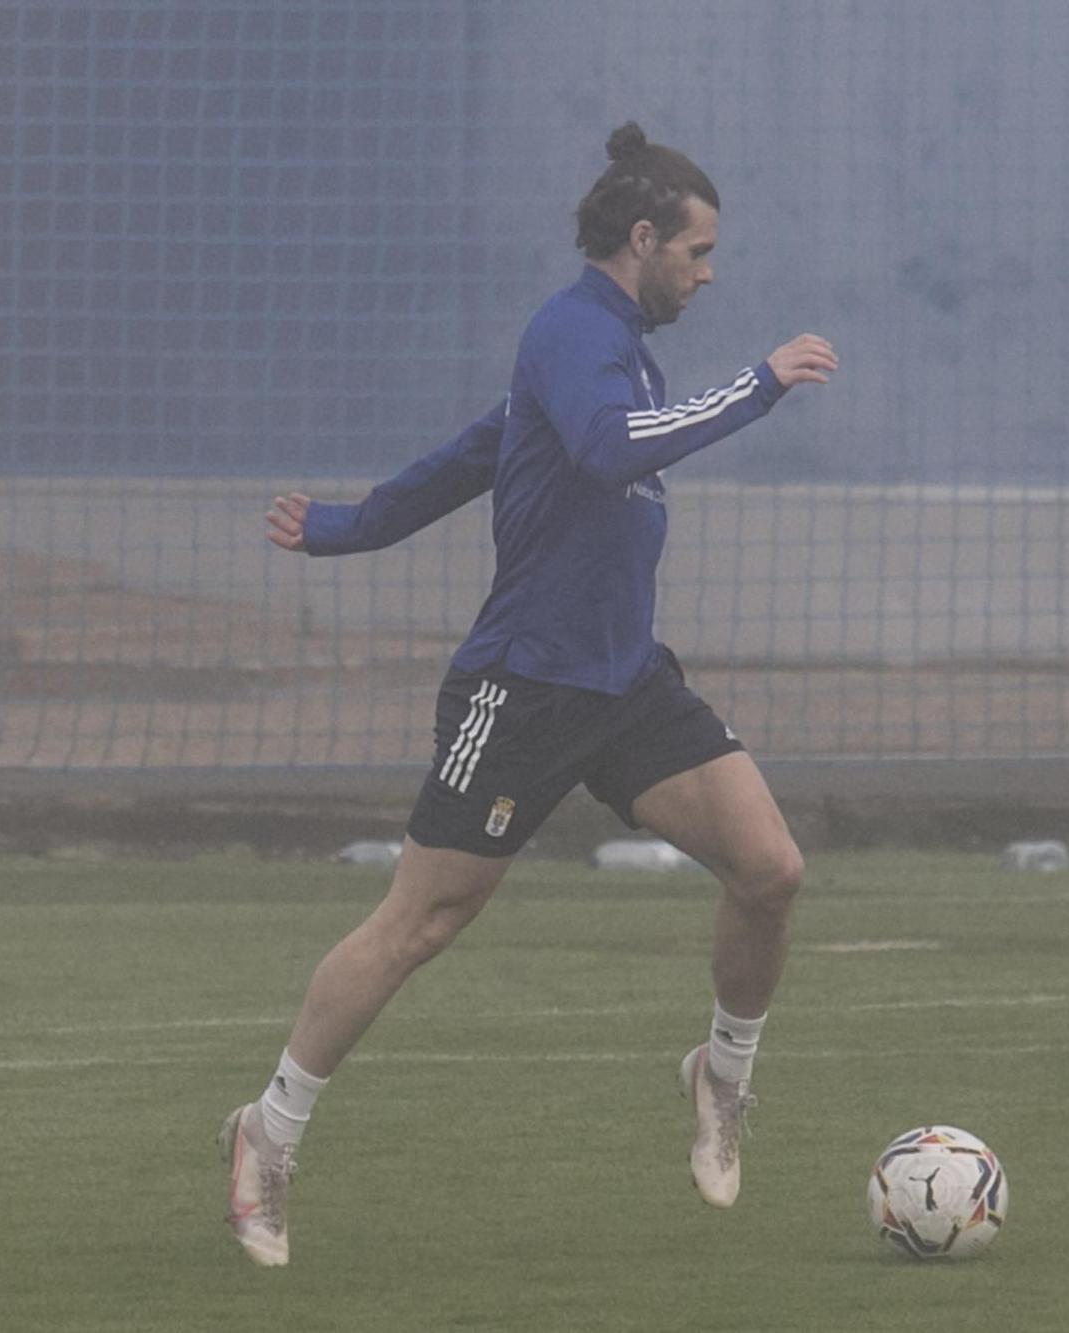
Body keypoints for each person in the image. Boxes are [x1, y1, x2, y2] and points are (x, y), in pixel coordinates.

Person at [223, 121, 839, 1265]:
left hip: (624, 679)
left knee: (769, 869)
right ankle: (267, 1129)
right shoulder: (572, 331)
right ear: (642, 240)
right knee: (420, 921)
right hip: (524, 687)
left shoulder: (614, 345)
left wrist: (345, 525)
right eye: (698, 254)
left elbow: (479, 451)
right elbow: (604, 451)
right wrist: (759, 385)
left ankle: (721, 1072)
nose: (708, 277)